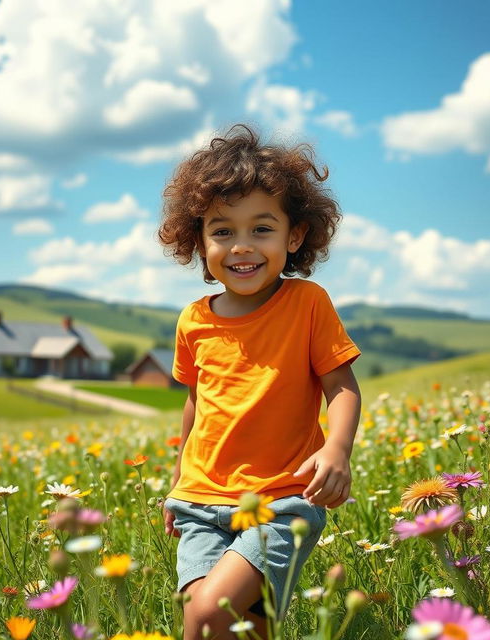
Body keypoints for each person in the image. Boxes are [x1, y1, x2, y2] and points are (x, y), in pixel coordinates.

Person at [157, 124, 362, 640]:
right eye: (223, 231)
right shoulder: (193, 320)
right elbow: (196, 404)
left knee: (206, 616)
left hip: (281, 502)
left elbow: (341, 386)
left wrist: (337, 449)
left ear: (295, 235)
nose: (241, 246)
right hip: (200, 505)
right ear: (199, 241)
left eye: (261, 229)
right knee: (244, 627)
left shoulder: (307, 304)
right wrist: (178, 479)